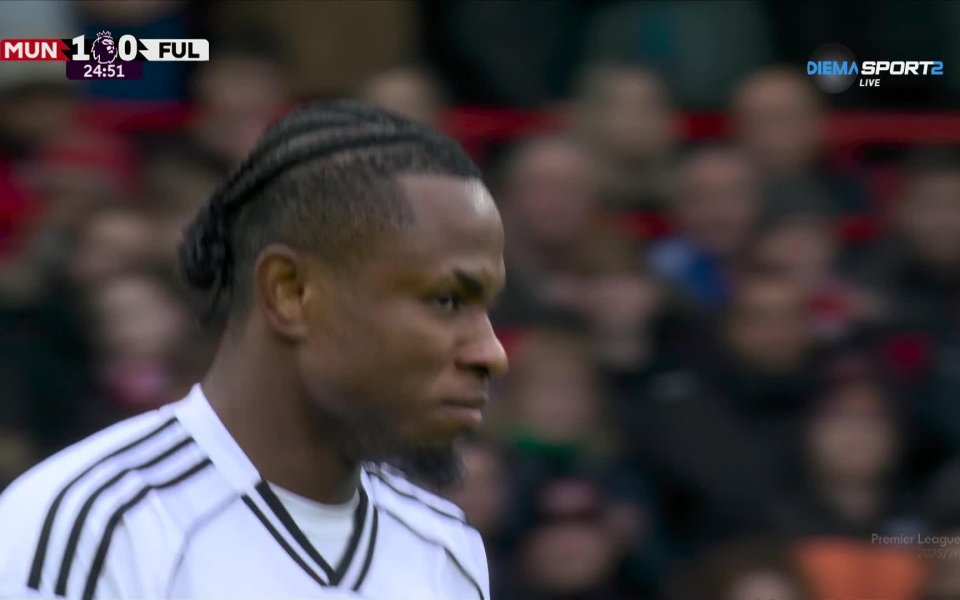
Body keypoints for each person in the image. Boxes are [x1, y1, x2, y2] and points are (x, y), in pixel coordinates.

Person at [0, 101, 509, 599]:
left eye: (486, 309)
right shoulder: (90, 532)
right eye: (446, 300)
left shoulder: (447, 550)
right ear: (290, 292)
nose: (492, 353)